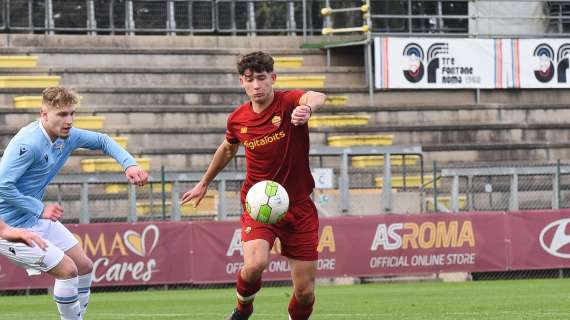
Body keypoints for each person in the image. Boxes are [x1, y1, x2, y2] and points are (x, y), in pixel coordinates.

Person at [181, 51, 326, 320]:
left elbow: (317, 96)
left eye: (261, 78)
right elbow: (227, 149)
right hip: (259, 204)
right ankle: (242, 309)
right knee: (255, 264)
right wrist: (204, 183)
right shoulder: (238, 119)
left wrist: (308, 109)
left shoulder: (288, 102)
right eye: (250, 80)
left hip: (299, 207)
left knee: (305, 293)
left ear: (273, 78)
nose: (256, 85)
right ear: (242, 82)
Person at [0, 86, 148, 320]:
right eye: (61, 114)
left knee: (84, 266)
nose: (68, 120)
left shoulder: (65, 137)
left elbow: (102, 140)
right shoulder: (28, 144)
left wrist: (129, 164)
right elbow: (2, 186)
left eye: (71, 113)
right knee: (68, 271)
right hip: (8, 227)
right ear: (44, 114)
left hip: (34, 219)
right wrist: (40, 208)